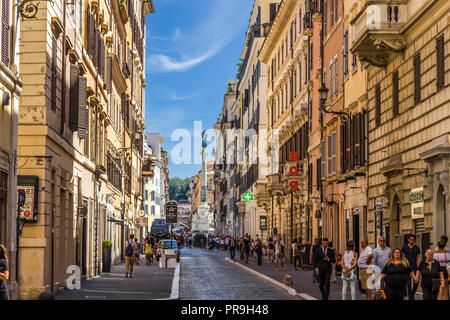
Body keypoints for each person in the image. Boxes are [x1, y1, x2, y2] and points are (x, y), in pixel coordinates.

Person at [401, 234, 421, 300]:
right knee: (409, 283)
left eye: (413, 240)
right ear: (408, 240)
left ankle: (412, 294)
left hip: (414, 267)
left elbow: (418, 258)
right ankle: (410, 297)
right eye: (411, 240)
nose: (412, 241)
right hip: (407, 267)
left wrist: (419, 266)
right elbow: (403, 258)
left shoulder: (417, 248)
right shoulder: (404, 247)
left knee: (416, 281)